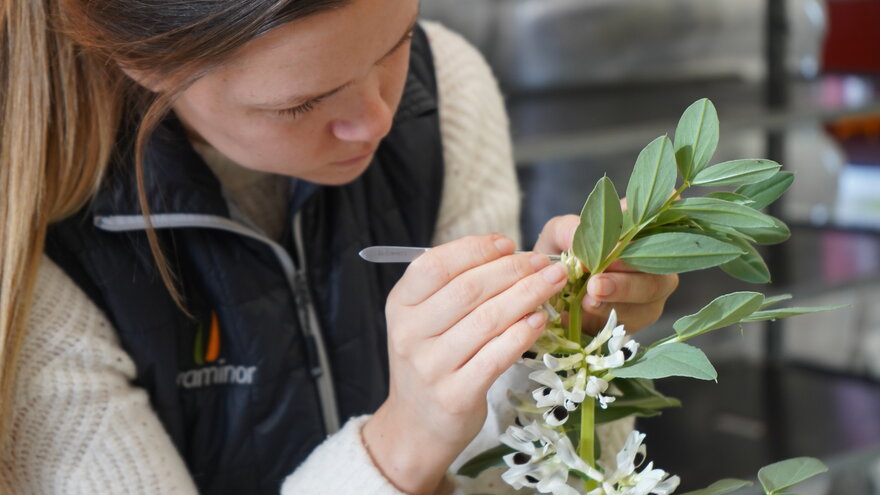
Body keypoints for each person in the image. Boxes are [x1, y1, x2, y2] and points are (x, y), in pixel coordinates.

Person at [0, 0, 679, 493]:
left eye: (398, 43)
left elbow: (506, 478)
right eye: (301, 103)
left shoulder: (444, 100)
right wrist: (400, 447)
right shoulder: (34, 247)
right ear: (145, 65)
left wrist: (561, 345)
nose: (378, 119)